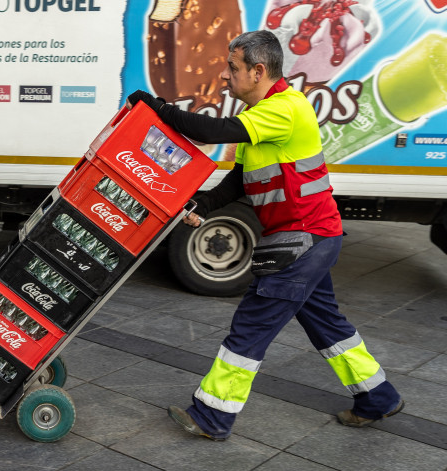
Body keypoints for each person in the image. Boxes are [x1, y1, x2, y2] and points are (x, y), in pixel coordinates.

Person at [127, 30, 403, 441]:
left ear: (258, 71)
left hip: (305, 239)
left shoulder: (285, 109)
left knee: (252, 324)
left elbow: (209, 130)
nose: (224, 76)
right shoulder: (263, 119)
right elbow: (240, 180)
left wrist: (158, 109)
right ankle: (378, 397)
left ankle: (212, 415)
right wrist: (201, 206)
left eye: (232, 68)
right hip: (310, 237)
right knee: (327, 325)